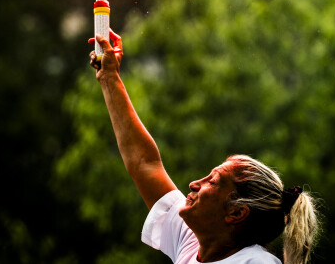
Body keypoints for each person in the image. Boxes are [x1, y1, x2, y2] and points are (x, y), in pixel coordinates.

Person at [89, 30, 320, 264]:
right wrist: (109, 76)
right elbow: (144, 163)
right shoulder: (193, 243)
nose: (193, 184)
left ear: (237, 212)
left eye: (212, 181)